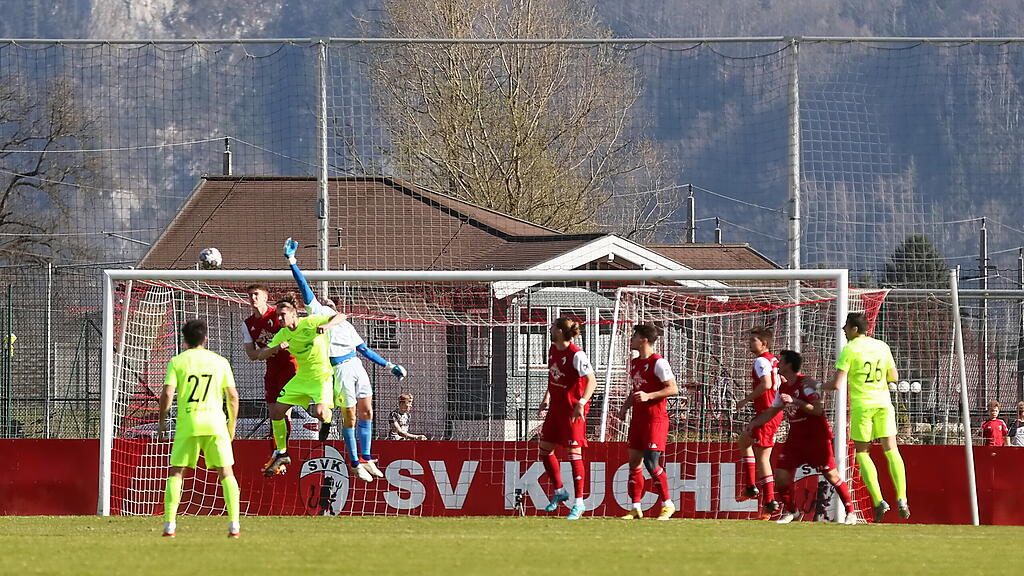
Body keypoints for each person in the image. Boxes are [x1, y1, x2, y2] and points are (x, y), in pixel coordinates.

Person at [283, 238, 408, 483]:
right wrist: (292, 261)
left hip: (357, 367)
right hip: (338, 368)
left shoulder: (345, 322)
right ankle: (354, 463)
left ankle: (366, 457)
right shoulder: (316, 313)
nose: (327, 301)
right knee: (349, 416)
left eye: (332, 300)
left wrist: (390, 366)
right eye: (324, 300)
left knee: (368, 412)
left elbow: (365, 350)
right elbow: (303, 285)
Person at [746, 350, 857, 525]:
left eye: (780, 362)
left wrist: (795, 401)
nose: (777, 366)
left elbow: (818, 410)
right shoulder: (783, 387)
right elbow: (773, 410)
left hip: (816, 437)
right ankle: (792, 512)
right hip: (795, 438)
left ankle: (850, 512)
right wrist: (755, 423)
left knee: (831, 475)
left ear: (789, 365)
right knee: (781, 476)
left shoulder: (805, 384)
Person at [823, 312, 910, 522]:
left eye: (846, 326)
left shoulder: (850, 349)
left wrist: (818, 386)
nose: (843, 330)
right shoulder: (882, 346)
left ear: (854, 329)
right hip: (884, 404)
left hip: (863, 406)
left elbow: (836, 384)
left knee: (862, 452)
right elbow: (894, 377)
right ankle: (902, 498)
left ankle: (879, 501)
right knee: (891, 449)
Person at [158, 319, 241, 538]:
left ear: (184, 339)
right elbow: (232, 396)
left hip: (188, 423)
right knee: (226, 472)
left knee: (177, 471)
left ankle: (170, 525)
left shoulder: (177, 361)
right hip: (215, 423)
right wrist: (231, 425)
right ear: (206, 338)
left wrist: (162, 421)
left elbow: (167, 394)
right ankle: (234, 525)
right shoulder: (220, 361)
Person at [254, 294, 348, 477]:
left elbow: (341, 316)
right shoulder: (282, 334)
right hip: (301, 378)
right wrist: (275, 349)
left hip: (321, 376)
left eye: (282, 315)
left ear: (294, 314)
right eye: (278, 316)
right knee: (276, 411)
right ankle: (282, 453)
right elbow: (260, 355)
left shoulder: (310, 322)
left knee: (321, 413)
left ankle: (327, 422)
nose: (279, 318)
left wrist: (326, 326)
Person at [617, 323, 678, 521]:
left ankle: (667, 504)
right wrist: (626, 406)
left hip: (655, 420)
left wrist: (649, 396)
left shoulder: (659, 362)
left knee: (652, 463)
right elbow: (636, 390)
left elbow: (672, 389)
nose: (631, 339)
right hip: (639, 420)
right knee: (634, 462)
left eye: (634, 336)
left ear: (644, 339)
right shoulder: (635, 363)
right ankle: (635, 507)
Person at [538, 317, 597, 520]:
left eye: (553, 327)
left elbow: (592, 381)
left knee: (574, 455)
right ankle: (560, 491)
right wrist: (546, 397)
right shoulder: (553, 349)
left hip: (573, 410)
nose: (550, 329)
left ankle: (579, 504)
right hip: (556, 408)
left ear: (561, 331)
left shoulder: (576, 354)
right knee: (545, 450)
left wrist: (581, 403)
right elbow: (553, 377)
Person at [241, 283, 297, 461]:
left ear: (266, 297)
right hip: (272, 369)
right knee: (273, 412)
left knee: (282, 409)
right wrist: (268, 351)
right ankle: (278, 451)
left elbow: (296, 330)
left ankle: (281, 452)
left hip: (290, 366)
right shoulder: (248, 324)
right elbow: (251, 354)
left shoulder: (278, 314)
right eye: (250, 295)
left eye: (257, 294)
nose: (253, 298)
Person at [734, 326, 783, 519]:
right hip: (768, 412)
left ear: (764, 343)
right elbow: (780, 380)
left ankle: (770, 502)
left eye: (754, 339)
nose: (750, 342)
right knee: (744, 441)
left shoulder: (761, 360)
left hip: (767, 413)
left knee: (763, 457)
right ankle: (751, 487)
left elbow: (767, 384)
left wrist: (746, 399)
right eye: (750, 338)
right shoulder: (773, 360)